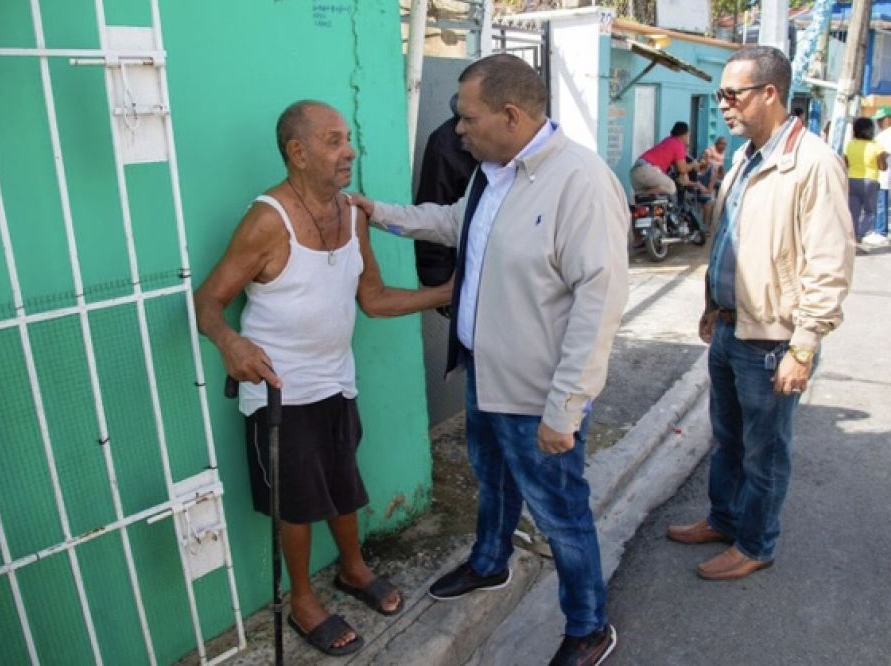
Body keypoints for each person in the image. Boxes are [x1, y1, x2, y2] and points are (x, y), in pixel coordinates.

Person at [357, 54, 627, 666]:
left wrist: (566, 406)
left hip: (539, 394)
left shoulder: (580, 182)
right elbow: (457, 224)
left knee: (561, 514)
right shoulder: (493, 171)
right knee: (493, 483)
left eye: (467, 117)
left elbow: (599, 302)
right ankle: (489, 564)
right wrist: (382, 215)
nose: (457, 130)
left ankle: (589, 627)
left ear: (510, 115)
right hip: (487, 374)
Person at [193, 101, 451, 657]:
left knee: (342, 484)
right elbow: (207, 303)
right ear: (298, 151)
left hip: (337, 381)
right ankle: (304, 599)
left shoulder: (353, 214)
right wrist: (230, 341)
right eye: (334, 141)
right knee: (298, 504)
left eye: (348, 138)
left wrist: (449, 293)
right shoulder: (268, 220)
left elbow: (374, 299)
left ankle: (354, 570)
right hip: (279, 393)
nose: (349, 150)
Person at [666, 46, 854, 581]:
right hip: (731, 327)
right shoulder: (749, 155)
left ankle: (756, 542)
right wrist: (713, 305)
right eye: (721, 94)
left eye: (732, 94)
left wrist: (805, 344)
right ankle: (724, 520)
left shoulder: (813, 163)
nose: (723, 104)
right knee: (727, 439)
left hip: (773, 340)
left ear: (769, 93)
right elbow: (729, 238)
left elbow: (829, 262)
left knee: (764, 451)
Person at [414, 94, 478, 317]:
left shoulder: (535, 145)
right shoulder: (446, 142)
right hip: (467, 279)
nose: (461, 129)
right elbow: (435, 207)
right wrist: (440, 285)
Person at [862, 105, 891, 246]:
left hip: (883, 174)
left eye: (881, 119)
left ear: (889, 118)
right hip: (874, 174)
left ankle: (881, 232)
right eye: (878, 120)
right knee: (875, 204)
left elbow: (885, 153)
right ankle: (876, 230)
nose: (879, 122)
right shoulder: (883, 133)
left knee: (881, 203)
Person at [844, 116, 887, 243]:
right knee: (870, 212)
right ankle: (860, 234)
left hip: (852, 179)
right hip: (870, 180)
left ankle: (851, 236)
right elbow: (882, 166)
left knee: (853, 213)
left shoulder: (850, 145)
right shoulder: (876, 145)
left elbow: (845, 164)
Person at [630, 121, 694, 196]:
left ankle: (640, 197)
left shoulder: (668, 140)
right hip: (647, 171)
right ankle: (641, 195)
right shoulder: (678, 144)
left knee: (654, 196)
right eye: (688, 135)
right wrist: (693, 165)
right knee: (670, 187)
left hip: (635, 173)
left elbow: (677, 168)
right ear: (684, 135)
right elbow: (682, 168)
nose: (689, 138)